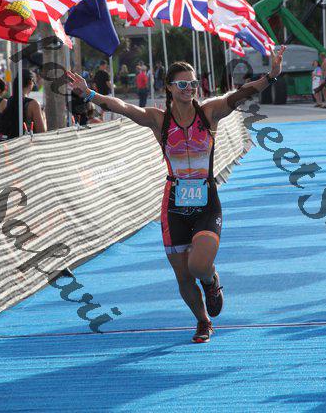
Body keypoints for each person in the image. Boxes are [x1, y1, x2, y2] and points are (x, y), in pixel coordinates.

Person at [66, 46, 286, 343]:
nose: (189, 89)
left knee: (198, 266)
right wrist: (89, 94)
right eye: (182, 84)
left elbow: (239, 95)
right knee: (183, 276)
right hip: (173, 205)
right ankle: (203, 322)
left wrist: (271, 76)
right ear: (169, 87)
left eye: (193, 84)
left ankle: (211, 280)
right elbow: (123, 107)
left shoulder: (209, 112)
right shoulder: (159, 120)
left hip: (207, 201)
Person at [0, 69, 46, 141]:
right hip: (27, 144)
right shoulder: (33, 104)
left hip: (10, 143)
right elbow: (42, 132)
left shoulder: (8, 101)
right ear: (30, 82)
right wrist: (43, 115)